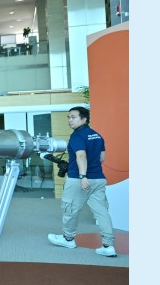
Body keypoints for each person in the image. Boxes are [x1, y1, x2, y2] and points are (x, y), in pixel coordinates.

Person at [48, 106, 116, 257]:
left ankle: (68, 239)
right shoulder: (97, 136)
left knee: (70, 209)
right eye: (68, 117)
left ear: (84, 119)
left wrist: (82, 176)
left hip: (79, 180)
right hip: (98, 179)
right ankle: (108, 245)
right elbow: (102, 158)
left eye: (73, 117)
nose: (69, 120)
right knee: (102, 212)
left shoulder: (77, 136)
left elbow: (81, 156)